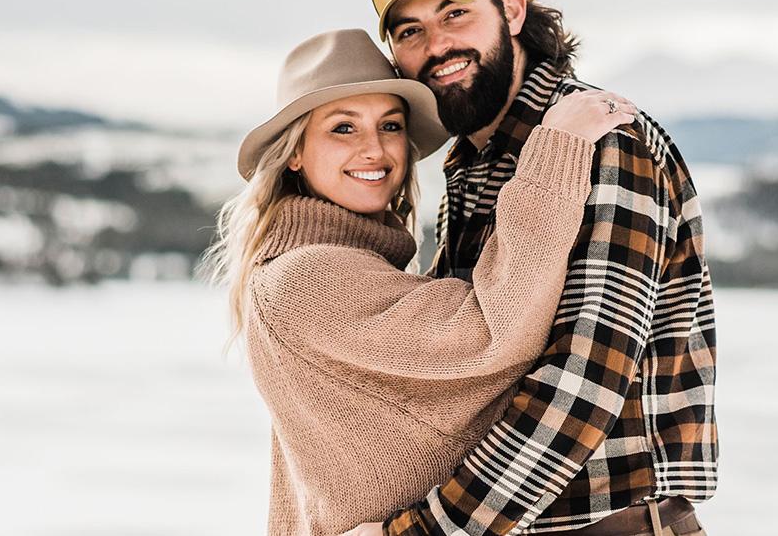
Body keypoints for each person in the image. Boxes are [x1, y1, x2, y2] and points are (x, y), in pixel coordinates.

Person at [347, 0, 720, 536]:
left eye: (454, 14)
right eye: (410, 31)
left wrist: (426, 532)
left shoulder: (602, 140)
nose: (437, 46)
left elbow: (585, 378)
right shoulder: (470, 165)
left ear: (511, 9)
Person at [200, 28, 635, 535]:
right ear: (294, 153)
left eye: (389, 126)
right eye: (343, 128)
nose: (374, 149)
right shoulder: (306, 278)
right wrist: (556, 154)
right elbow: (494, 330)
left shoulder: (328, 265)